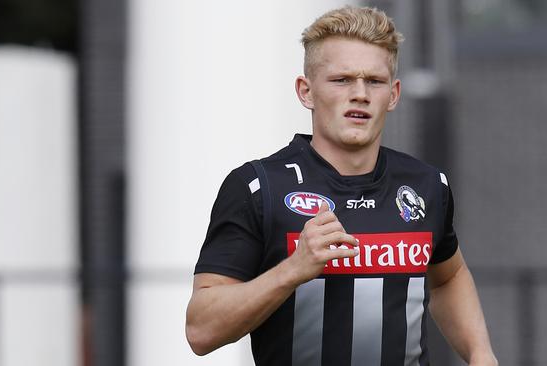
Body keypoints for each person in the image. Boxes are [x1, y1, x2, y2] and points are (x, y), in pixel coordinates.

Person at [186, 6, 497, 366]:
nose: (360, 93)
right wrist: (292, 270)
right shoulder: (258, 188)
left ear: (393, 95)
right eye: (342, 80)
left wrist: (481, 353)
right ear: (306, 92)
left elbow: (448, 276)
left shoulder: (426, 186)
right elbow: (200, 331)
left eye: (374, 81)